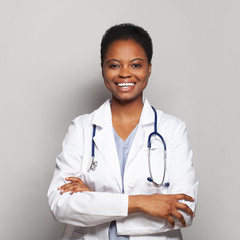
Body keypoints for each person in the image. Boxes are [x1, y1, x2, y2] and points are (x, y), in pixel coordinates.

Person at [47, 23, 198, 240]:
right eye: (114, 65)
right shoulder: (81, 128)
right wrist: (142, 202)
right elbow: (61, 205)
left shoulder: (172, 130)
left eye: (135, 65)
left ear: (149, 68)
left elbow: (184, 211)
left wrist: (94, 200)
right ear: (103, 68)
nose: (125, 73)